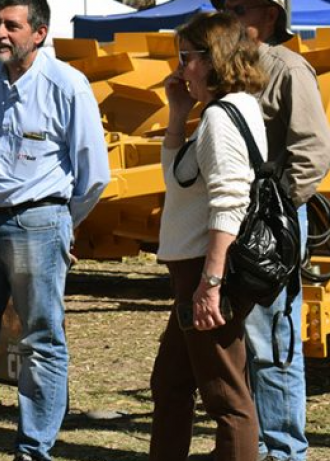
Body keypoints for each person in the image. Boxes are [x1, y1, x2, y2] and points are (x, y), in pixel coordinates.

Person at [0, 1, 110, 460]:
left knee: (41, 342)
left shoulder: (67, 85)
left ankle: (33, 450)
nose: (1, 34)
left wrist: (61, 222)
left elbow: (94, 175)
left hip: (37, 222)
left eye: (13, 25)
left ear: (40, 33)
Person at [211, 1, 330, 460]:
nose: (228, 14)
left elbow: (313, 153)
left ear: (269, 14)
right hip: (229, 222)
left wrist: (276, 212)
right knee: (239, 338)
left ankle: (282, 450)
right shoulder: (230, 69)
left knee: (273, 340)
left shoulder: (287, 69)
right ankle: (252, 445)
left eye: (238, 7)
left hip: (267, 225)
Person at [151, 12, 268, 461]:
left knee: (227, 397)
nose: (179, 70)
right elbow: (178, 181)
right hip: (195, 273)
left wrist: (210, 284)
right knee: (171, 383)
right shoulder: (227, 112)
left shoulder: (222, 117)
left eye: (186, 58)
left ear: (212, 58)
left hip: (204, 272)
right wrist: (178, 115)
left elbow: (229, 200)